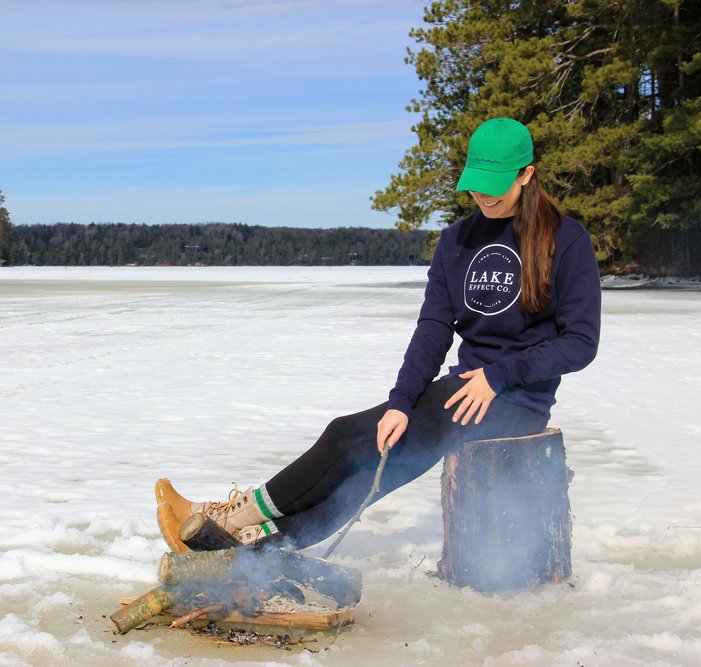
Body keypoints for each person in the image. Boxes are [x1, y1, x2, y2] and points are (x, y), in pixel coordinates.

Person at [156, 118, 601, 551]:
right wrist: (402, 401)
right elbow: (433, 328)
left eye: (495, 182)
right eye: (475, 180)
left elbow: (580, 341)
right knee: (363, 481)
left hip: (516, 401)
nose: (481, 193)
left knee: (345, 436)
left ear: (527, 174)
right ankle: (253, 555)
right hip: (462, 389)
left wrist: (499, 376)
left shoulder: (565, 239)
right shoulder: (457, 240)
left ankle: (230, 517)